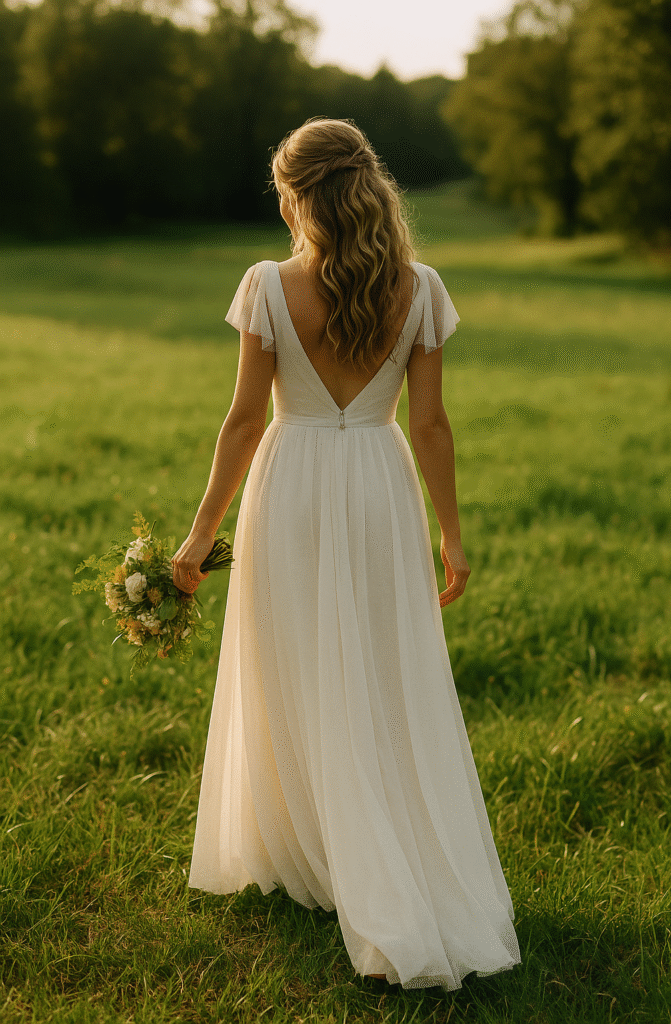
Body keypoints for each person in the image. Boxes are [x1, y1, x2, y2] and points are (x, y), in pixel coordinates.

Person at [171, 117, 521, 991]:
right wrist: (450, 532)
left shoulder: (265, 284)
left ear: (295, 192)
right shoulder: (421, 286)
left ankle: (319, 851)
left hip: (288, 486)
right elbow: (430, 424)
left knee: (289, 666)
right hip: (377, 485)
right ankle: (374, 844)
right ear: (367, 183)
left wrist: (198, 532)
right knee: (377, 671)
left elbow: (245, 420)